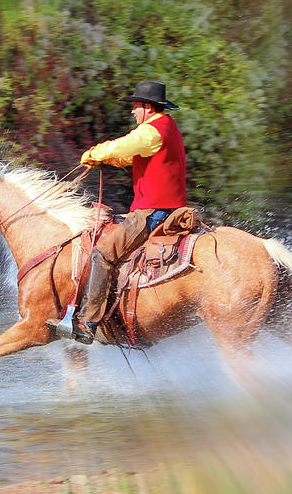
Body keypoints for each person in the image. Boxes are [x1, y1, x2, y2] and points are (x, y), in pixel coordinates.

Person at [46, 81, 187, 344]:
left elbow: (123, 146)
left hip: (154, 211)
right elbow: (128, 157)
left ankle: (87, 323)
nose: (132, 112)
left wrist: (94, 153)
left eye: (135, 107)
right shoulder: (165, 129)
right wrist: (105, 159)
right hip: (166, 206)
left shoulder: (151, 131)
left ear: (147, 107)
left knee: (102, 254)